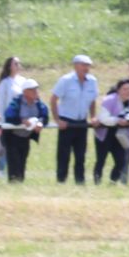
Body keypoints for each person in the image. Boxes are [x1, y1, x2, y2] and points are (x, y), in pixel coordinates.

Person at [52, 54, 99, 184]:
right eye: (84, 65)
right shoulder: (66, 80)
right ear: (76, 66)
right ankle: (61, 180)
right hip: (67, 121)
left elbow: (92, 100)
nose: (86, 68)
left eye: (88, 66)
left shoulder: (92, 81)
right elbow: (54, 99)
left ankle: (80, 181)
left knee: (81, 155)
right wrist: (57, 120)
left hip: (82, 122)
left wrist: (93, 116)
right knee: (63, 155)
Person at [2, 78, 49, 182]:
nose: (36, 92)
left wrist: (40, 122)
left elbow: (45, 115)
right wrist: (21, 121)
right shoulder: (16, 102)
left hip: (26, 138)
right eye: (32, 90)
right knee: (14, 163)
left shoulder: (38, 103)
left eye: (36, 89)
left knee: (22, 161)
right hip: (13, 138)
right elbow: (9, 115)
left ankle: (20, 182)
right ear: (25, 92)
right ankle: (13, 183)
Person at [94, 79, 129, 184]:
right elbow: (103, 118)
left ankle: (112, 182)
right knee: (101, 159)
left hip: (121, 133)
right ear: (118, 90)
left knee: (121, 161)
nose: (128, 91)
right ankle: (97, 182)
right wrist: (118, 120)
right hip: (105, 132)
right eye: (125, 89)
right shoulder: (109, 100)